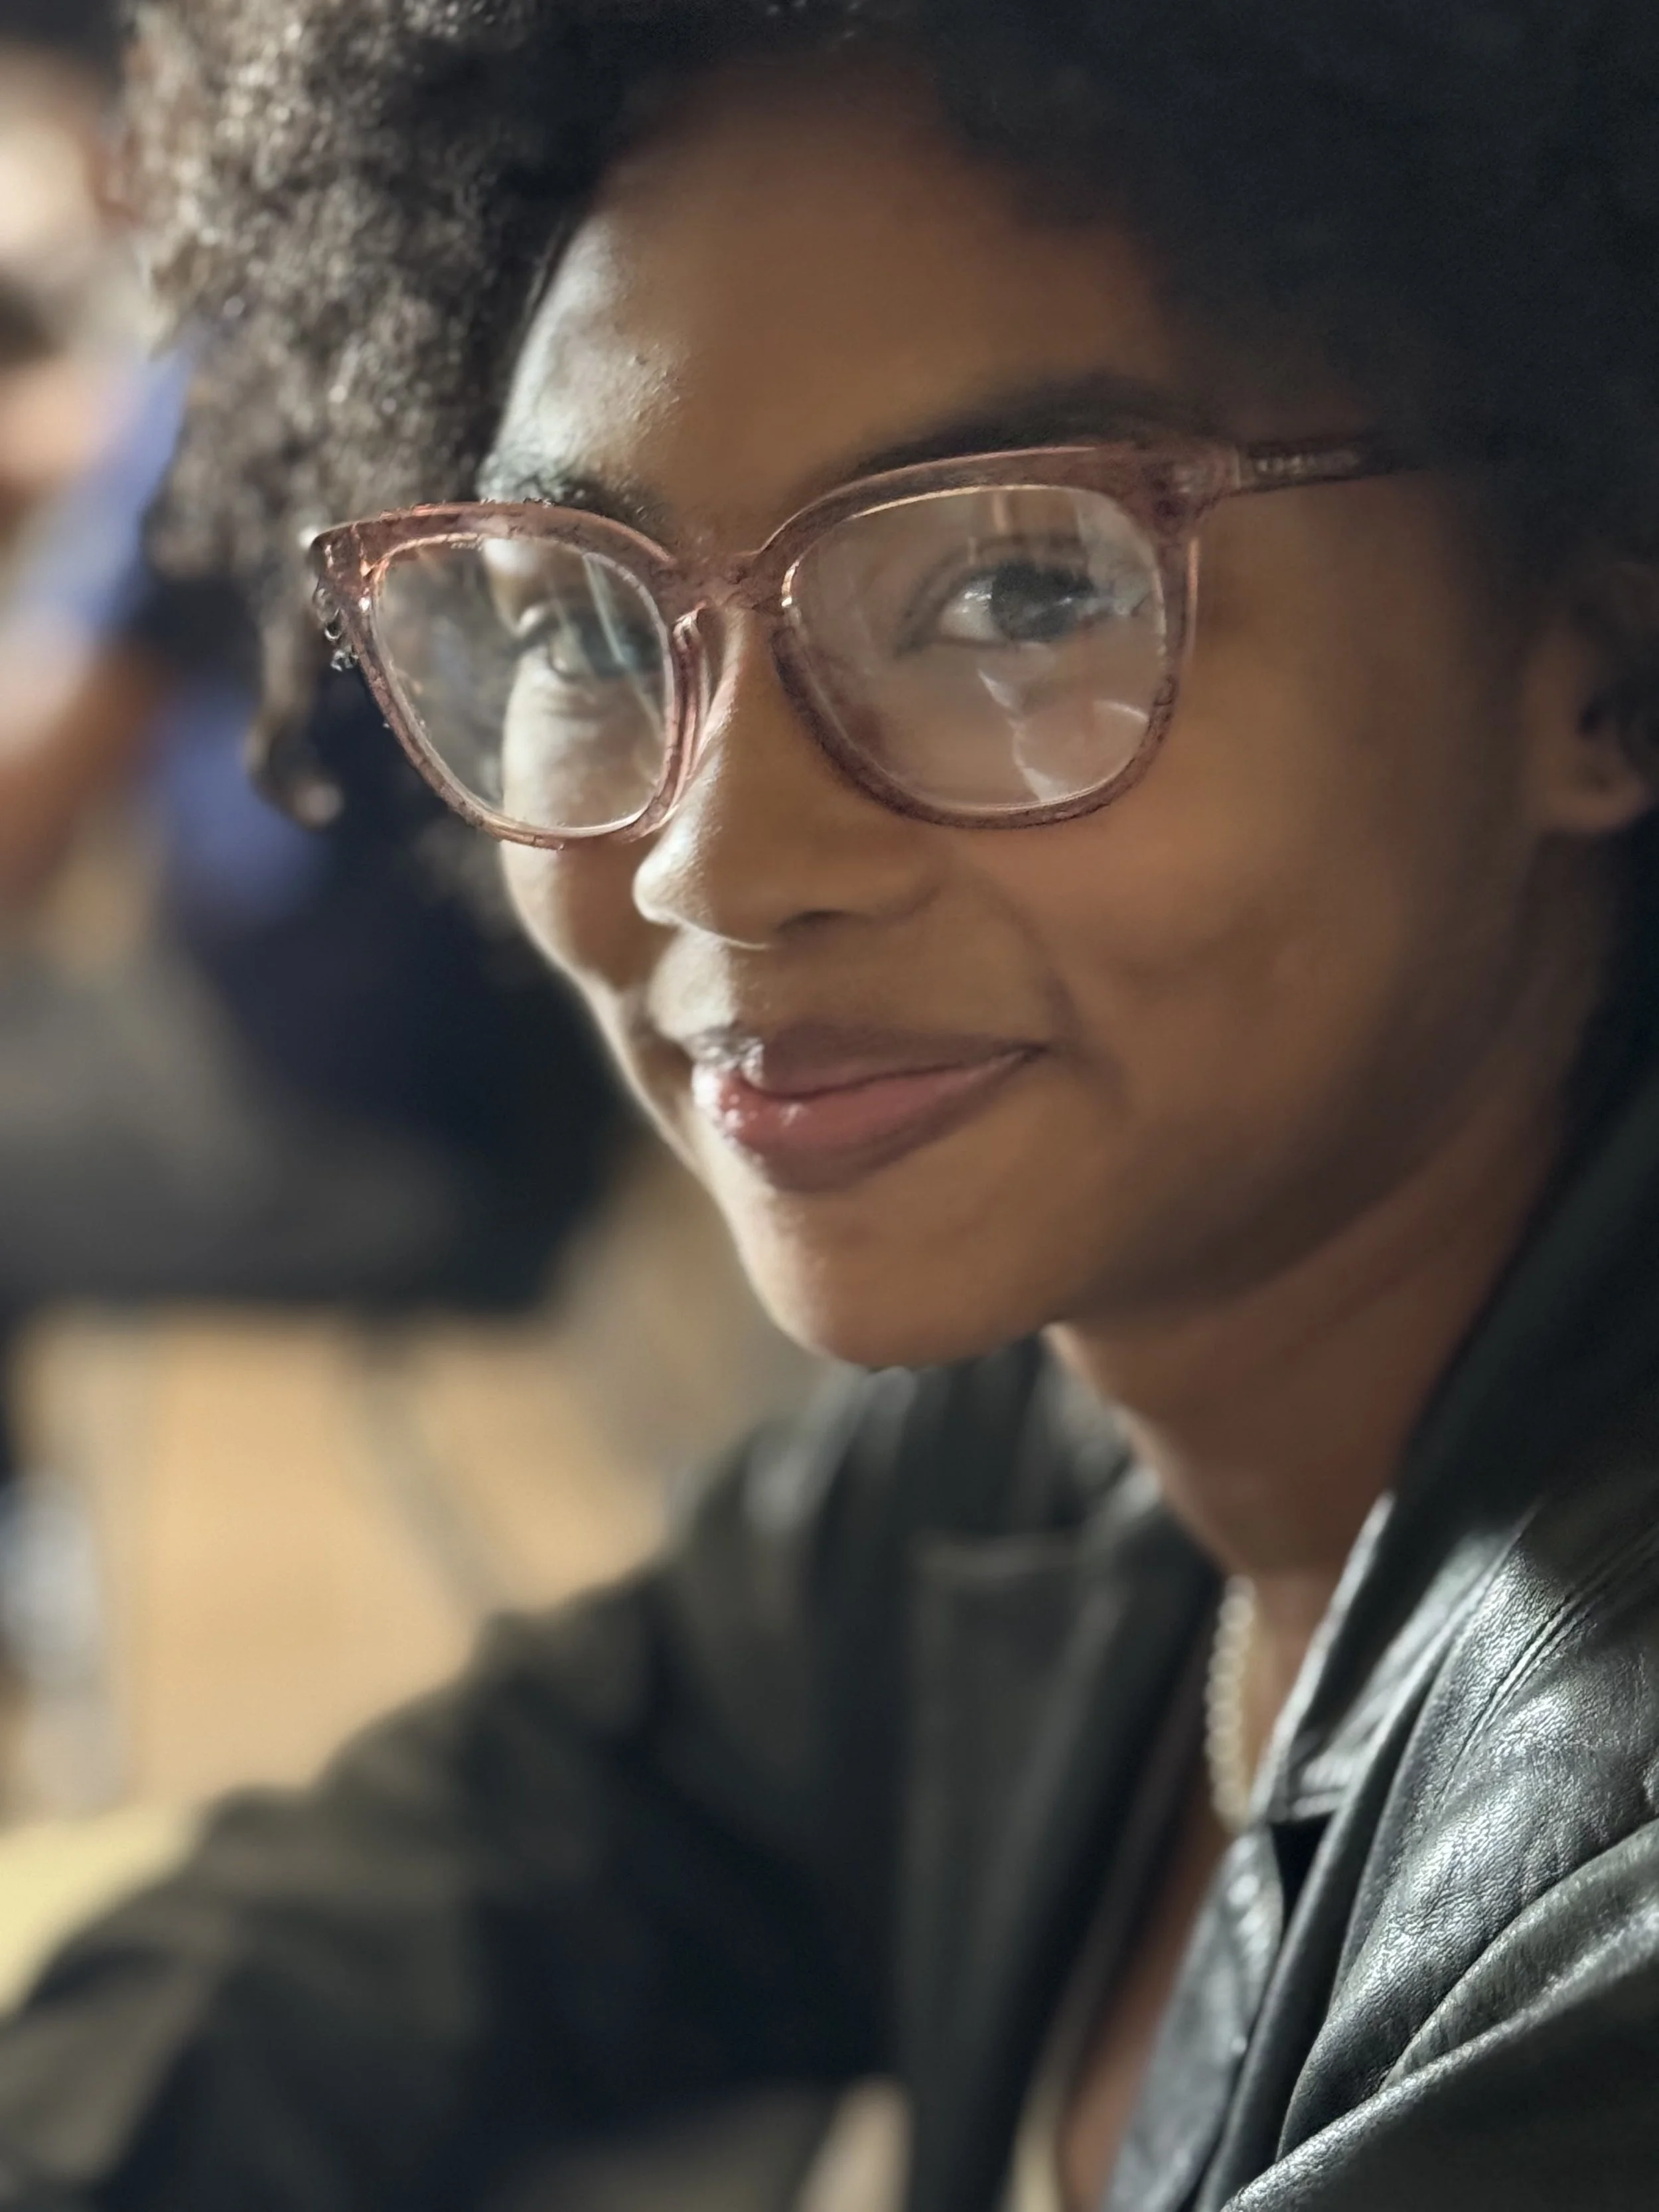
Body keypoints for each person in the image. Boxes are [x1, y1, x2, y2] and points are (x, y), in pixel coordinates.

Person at [5, 0, 1659, 2205]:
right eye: (583, 625)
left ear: (1598, 663)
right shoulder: (1059, 1439)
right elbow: (424, 1900)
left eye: (1016, 584)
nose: (710, 853)